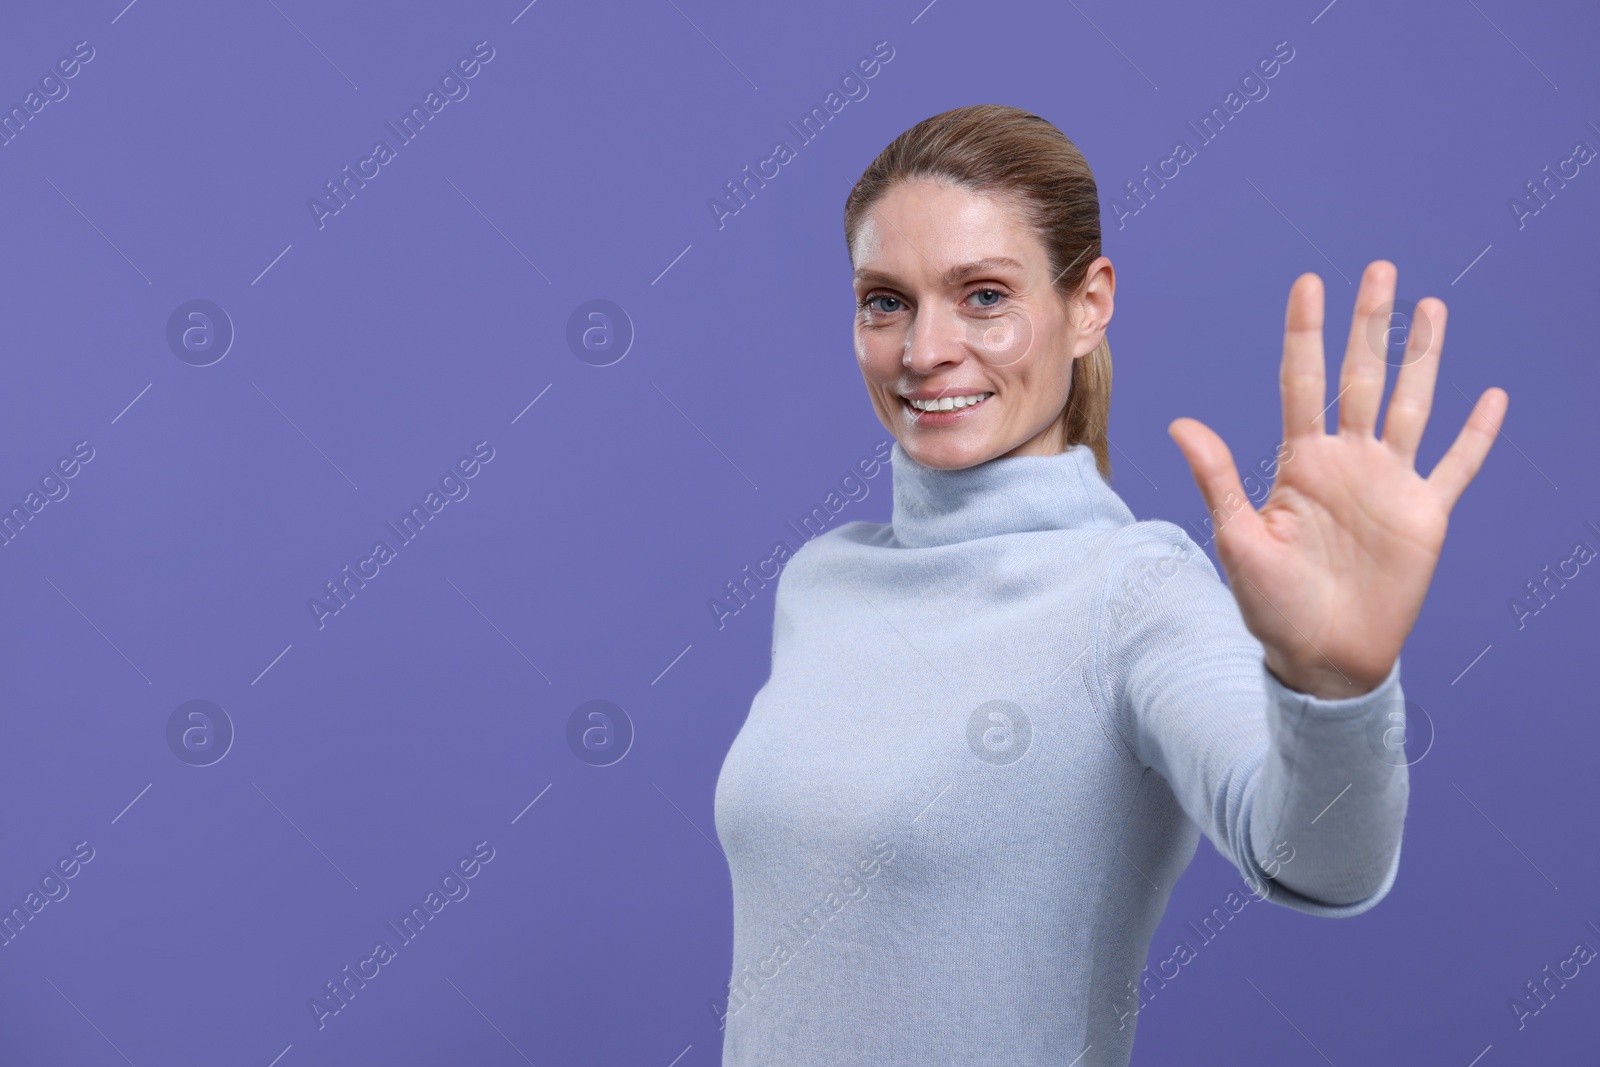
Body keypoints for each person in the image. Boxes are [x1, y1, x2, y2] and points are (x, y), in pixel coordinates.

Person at [711, 103, 1507, 1067]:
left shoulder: (1133, 592)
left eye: (984, 296)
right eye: (886, 300)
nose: (924, 351)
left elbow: (1318, 861)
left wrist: (1333, 689)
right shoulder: (820, 582)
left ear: (1088, 304)